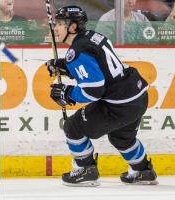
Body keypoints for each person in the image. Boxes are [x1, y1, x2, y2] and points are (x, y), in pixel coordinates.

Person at [46, 5, 158, 187]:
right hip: (137, 97)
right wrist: (67, 66)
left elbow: (94, 91)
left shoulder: (77, 51)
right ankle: (143, 171)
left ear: (73, 27)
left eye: (59, 24)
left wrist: (68, 93)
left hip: (119, 106)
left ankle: (86, 170)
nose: (55, 28)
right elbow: (102, 67)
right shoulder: (92, 36)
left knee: (73, 127)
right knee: (122, 138)